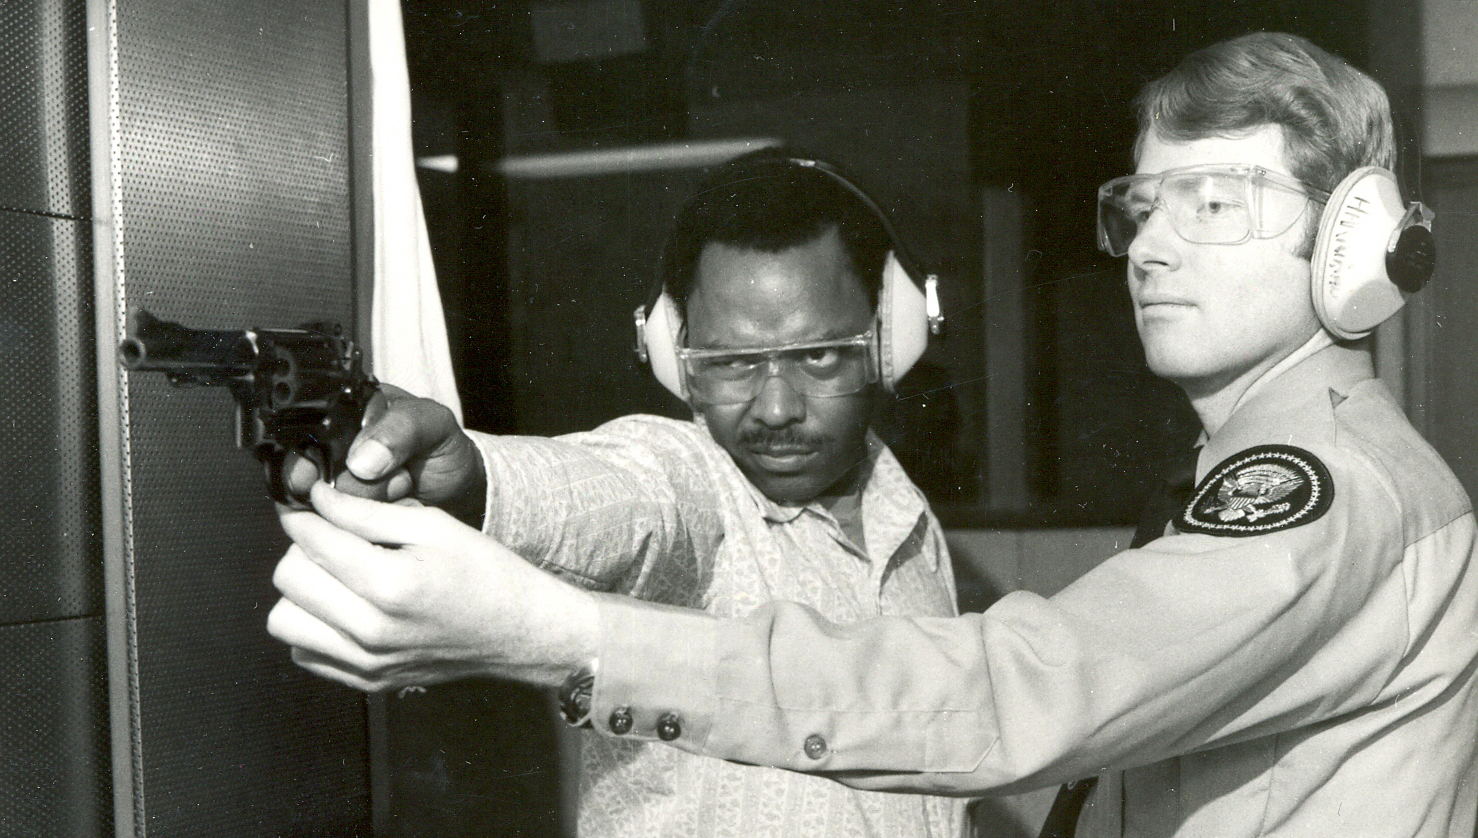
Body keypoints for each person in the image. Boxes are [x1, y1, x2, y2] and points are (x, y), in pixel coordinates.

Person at [269, 33, 1478, 837]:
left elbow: (1026, 689)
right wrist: (476, 477)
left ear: (1356, 244)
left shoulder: (1318, 488)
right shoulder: (696, 469)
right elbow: (616, 485)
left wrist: (559, 636)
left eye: (1214, 203)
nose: (1151, 243)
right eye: (1141, 204)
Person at [279, 150, 967, 837]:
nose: (777, 409)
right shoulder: (691, 482)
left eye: (819, 355)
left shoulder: (908, 520)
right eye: (730, 363)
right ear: (676, 361)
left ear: (889, 341)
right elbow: (617, 494)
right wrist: (474, 480)